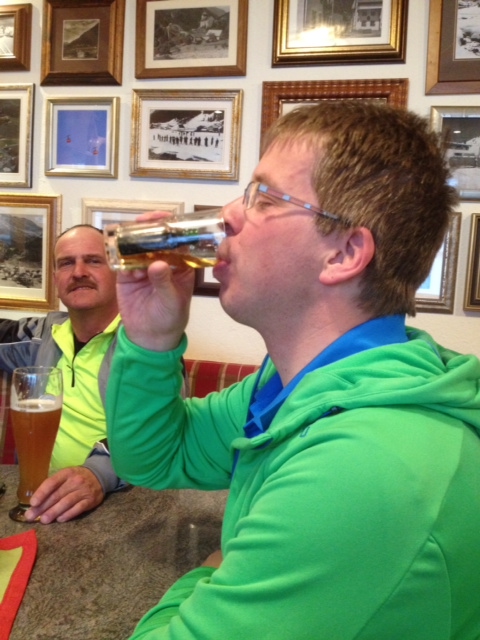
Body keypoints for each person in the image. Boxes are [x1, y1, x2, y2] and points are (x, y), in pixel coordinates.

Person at [106, 101, 480, 639]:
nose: (229, 215)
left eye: (263, 197)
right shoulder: (302, 387)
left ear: (343, 254)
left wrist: (213, 572)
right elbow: (155, 456)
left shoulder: (363, 466)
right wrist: (150, 339)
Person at [0, 224, 122, 524]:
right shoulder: (41, 334)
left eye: (93, 260)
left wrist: (98, 473)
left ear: (117, 272)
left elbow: (155, 431)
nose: (78, 272)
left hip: (117, 506)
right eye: (66, 263)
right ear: (55, 278)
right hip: (37, 502)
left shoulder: (145, 348)